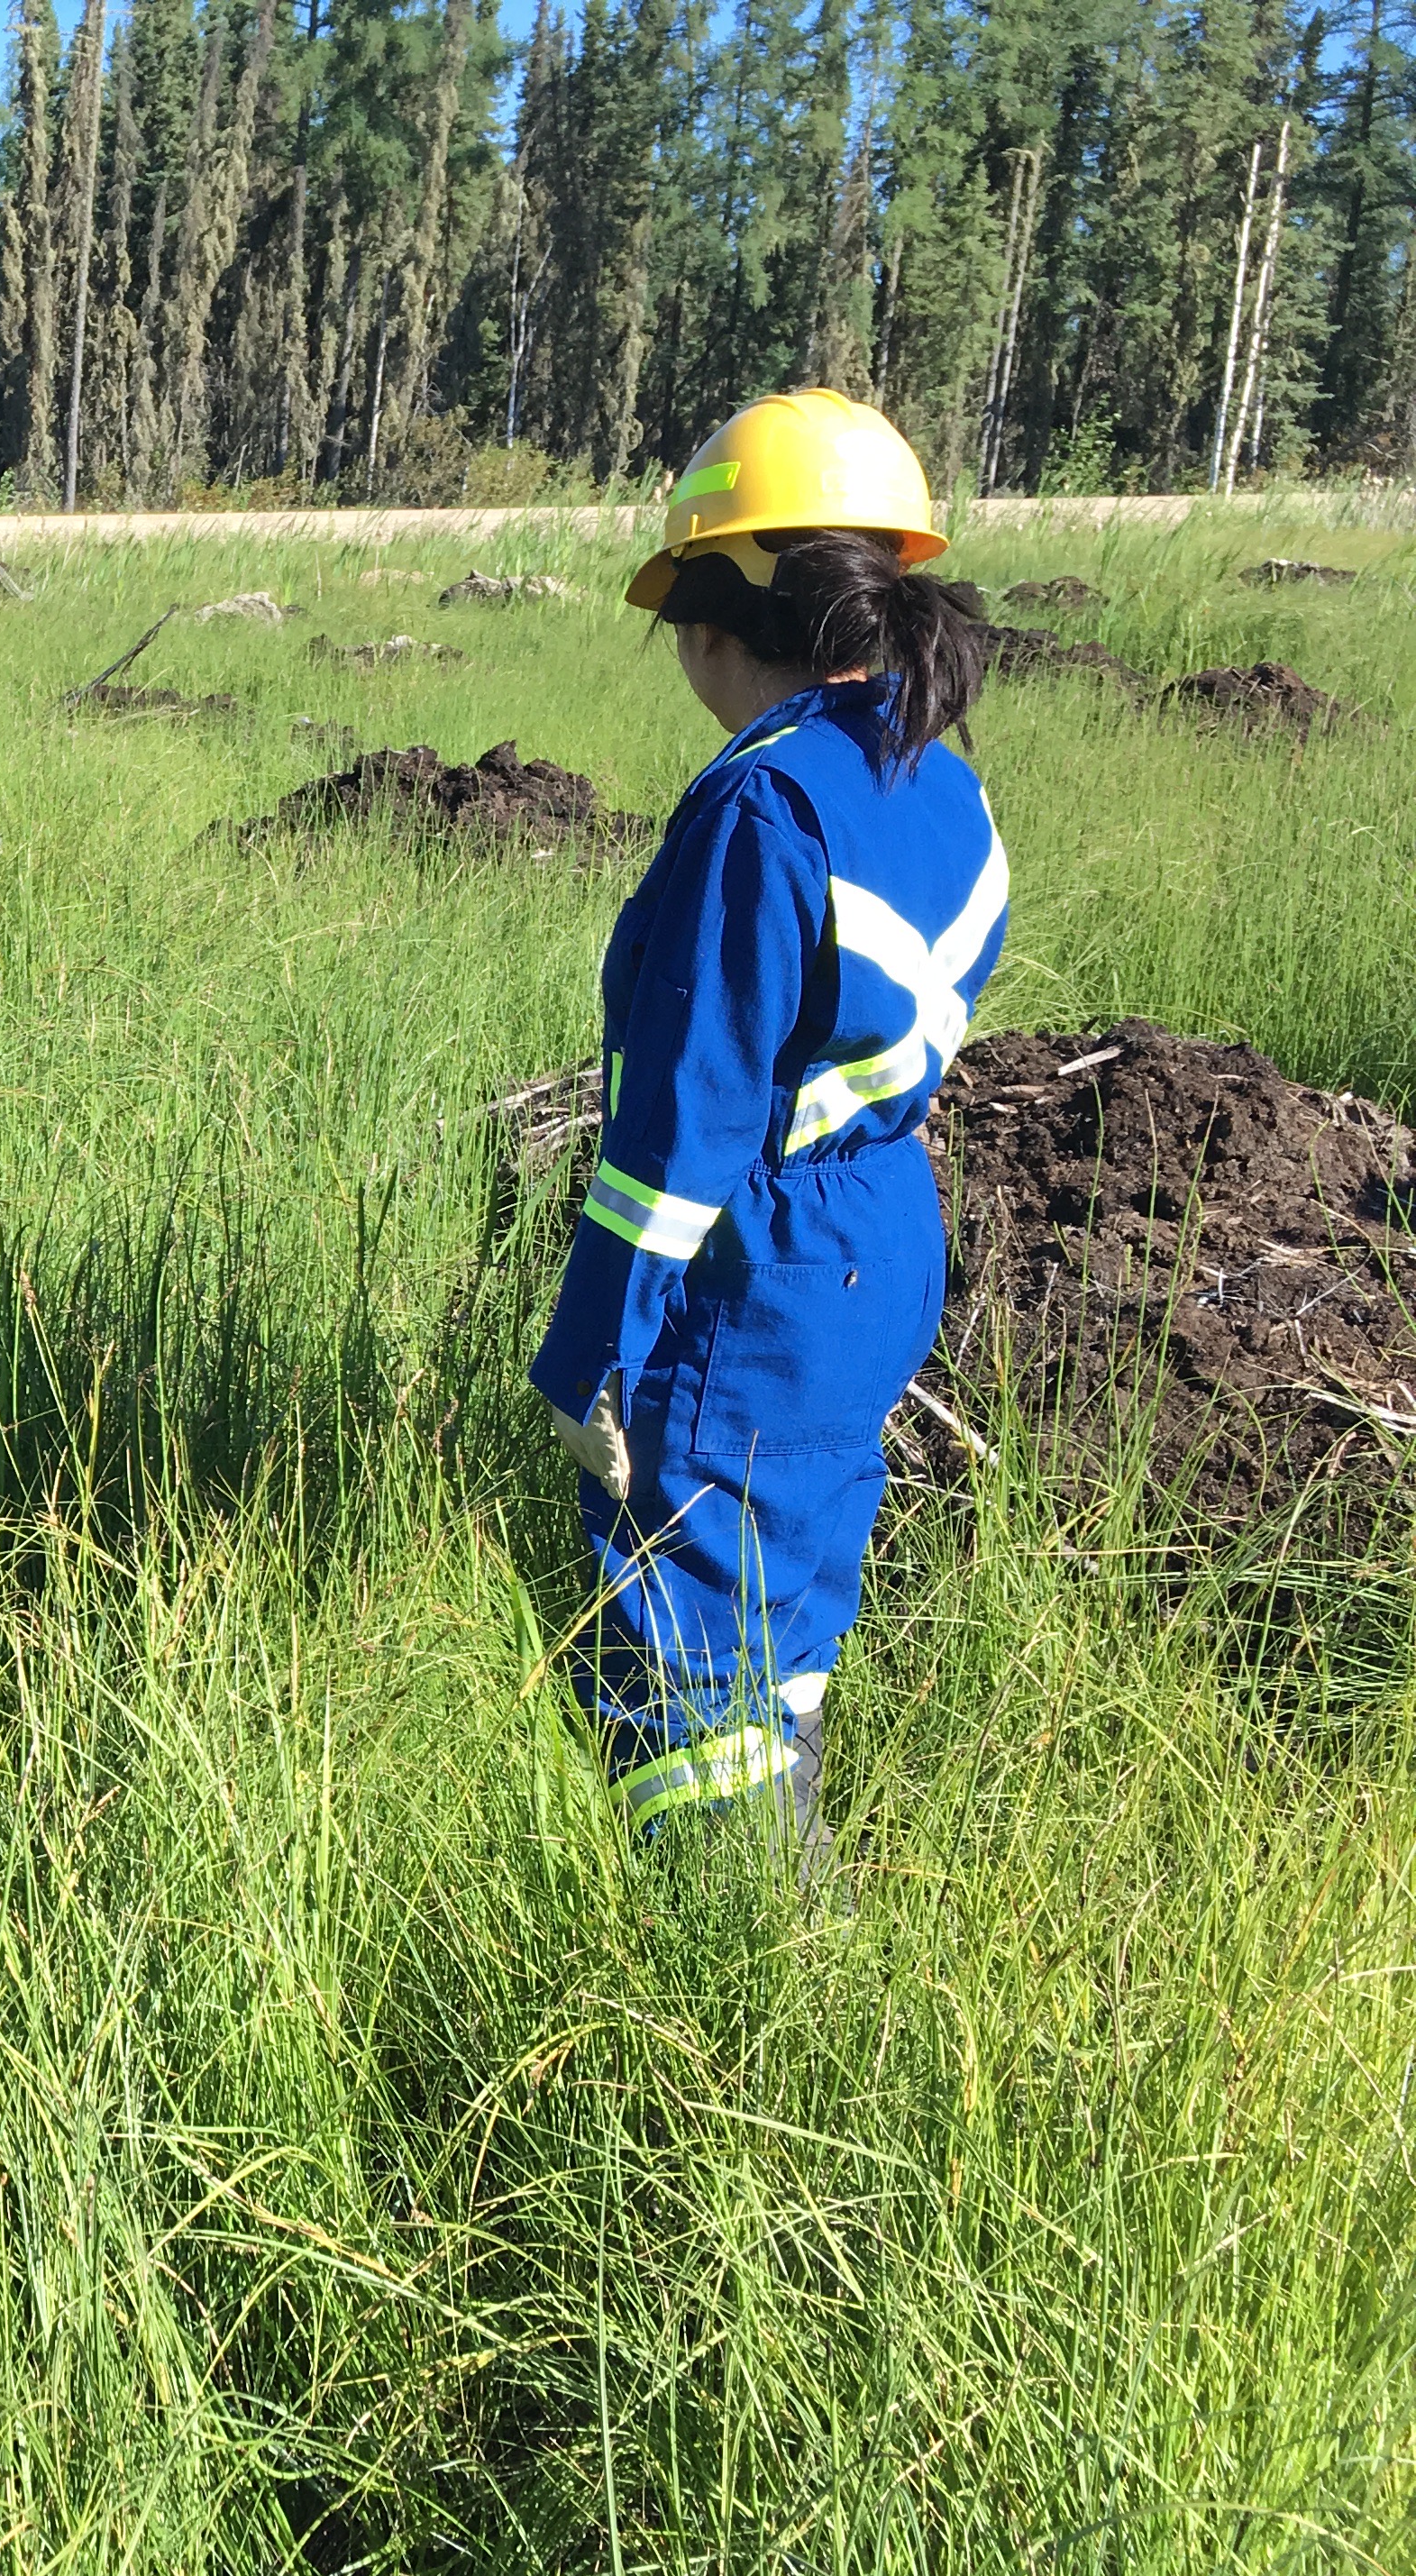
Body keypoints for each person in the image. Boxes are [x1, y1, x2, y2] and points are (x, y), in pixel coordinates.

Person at [529, 388, 1004, 1866]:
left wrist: (587, 1352)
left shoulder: (761, 807)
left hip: (767, 1273)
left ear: (728, 618)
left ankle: (738, 1968)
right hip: (882, 1243)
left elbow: (683, 1132)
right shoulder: (937, 781)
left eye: (679, 611)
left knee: (687, 1645)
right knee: (792, 1583)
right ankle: (782, 1825)